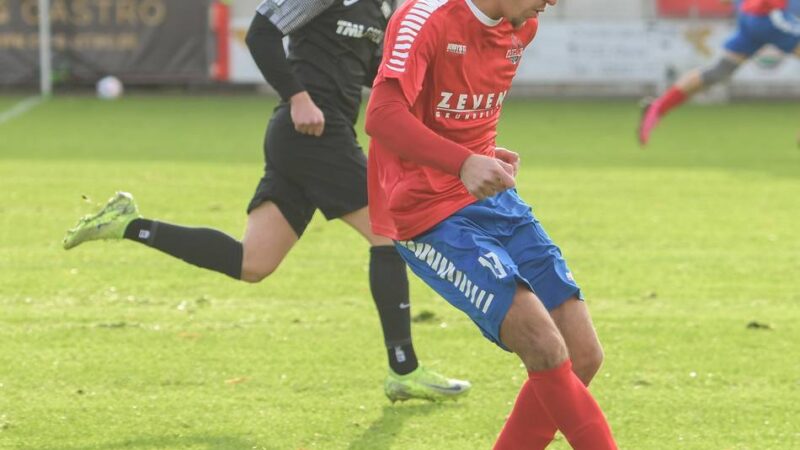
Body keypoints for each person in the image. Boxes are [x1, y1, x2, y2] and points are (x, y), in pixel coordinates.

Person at [62, 0, 470, 403]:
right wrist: (298, 96)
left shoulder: (381, 8)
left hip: (313, 138)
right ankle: (404, 369)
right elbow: (261, 32)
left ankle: (127, 223)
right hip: (309, 132)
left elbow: (367, 69)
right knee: (390, 232)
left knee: (252, 263)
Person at [365, 0, 617, 448]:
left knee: (582, 354)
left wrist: (481, 151)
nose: (552, 3)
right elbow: (382, 116)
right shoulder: (424, 18)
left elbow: (453, 110)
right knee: (542, 342)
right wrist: (461, 162)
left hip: (493, 201)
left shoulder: (523, 25)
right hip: (425, 214)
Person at [639, 0, 800, 146]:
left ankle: (659, 106)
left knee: (720, 71)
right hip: (769, 16)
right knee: (720, 71)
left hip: (750, 16)